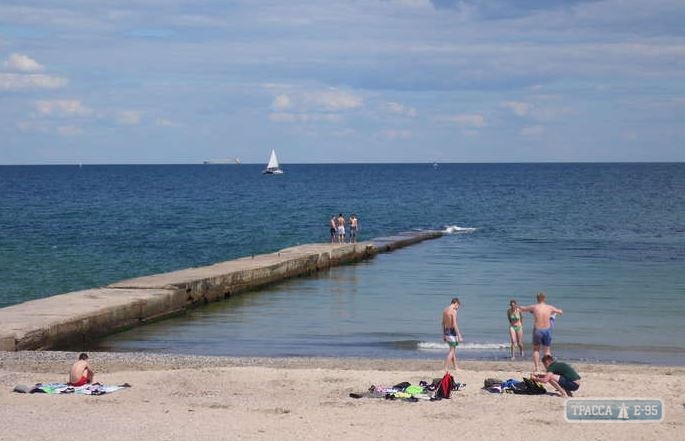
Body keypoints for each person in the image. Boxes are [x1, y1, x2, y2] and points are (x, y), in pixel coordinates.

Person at [519, 292, 563, 372]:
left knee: (536, 350)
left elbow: (523, 308)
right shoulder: (549, 307)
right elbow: (560, 312)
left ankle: (537, 368)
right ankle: (549, 368)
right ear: (544, 298)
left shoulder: (534, 307)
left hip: (538, 330)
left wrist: (517, 307)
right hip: (547, 330)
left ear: (537, 298)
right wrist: (558, 311)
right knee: (547, 351)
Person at [442, 297, 463, 371]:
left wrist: (444, 334)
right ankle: (445, 367)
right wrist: (459, 335)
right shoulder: (453, 311)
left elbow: (443, 323)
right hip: (452, 332)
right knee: (452, 351)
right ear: (456, 303)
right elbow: (454, 324)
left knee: (452, 350)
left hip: (446, 331)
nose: (457, 308)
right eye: (458, 306)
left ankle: (456, 367)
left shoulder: (445, 310)